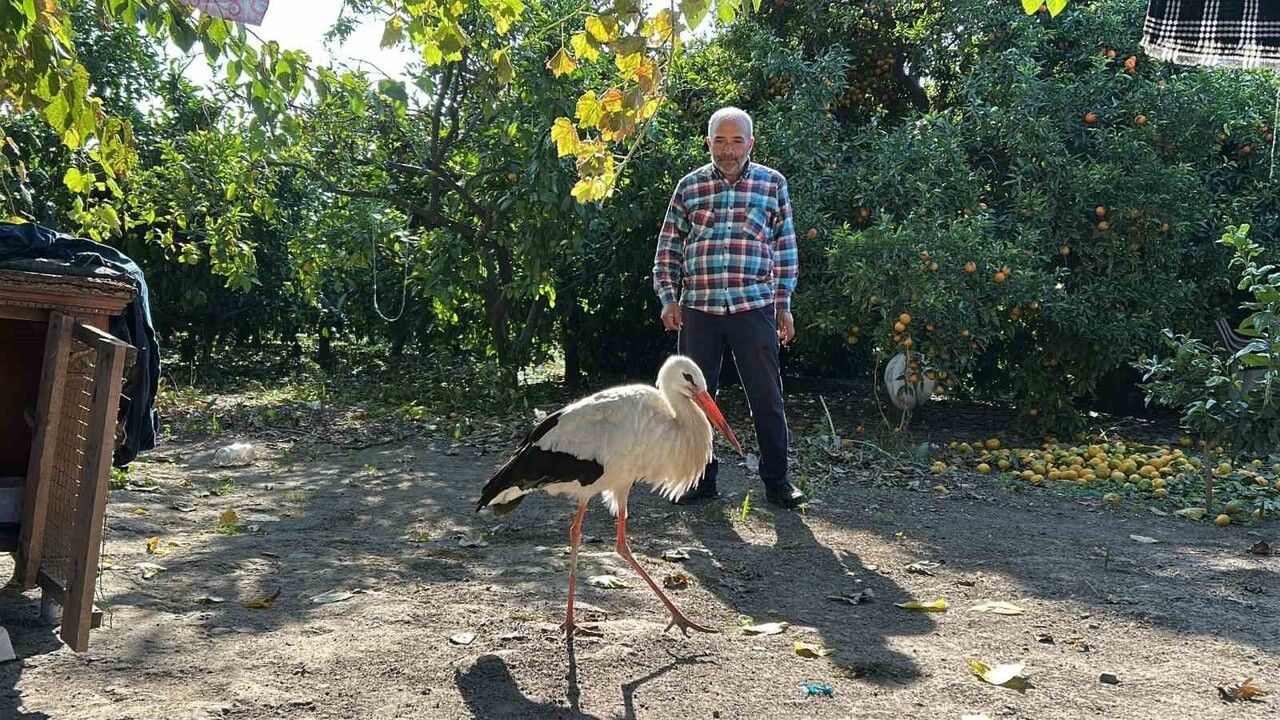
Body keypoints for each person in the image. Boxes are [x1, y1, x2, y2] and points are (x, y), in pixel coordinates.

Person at [651, 106, 805, 510]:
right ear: (708, 143)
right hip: (698, 309)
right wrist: (669, 297)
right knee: (694, 401)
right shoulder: (690, 187)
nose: (728, 149)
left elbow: (785, 249)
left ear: (750, 144)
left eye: (737, 140)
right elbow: (668, 247)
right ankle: (700, 481)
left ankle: (778, 481)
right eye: (720, 140)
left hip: (753, 307)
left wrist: (783, 305)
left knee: (766, 397)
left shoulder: (773, 185)